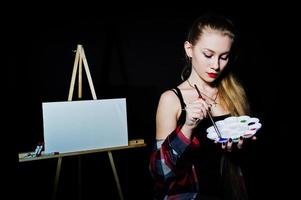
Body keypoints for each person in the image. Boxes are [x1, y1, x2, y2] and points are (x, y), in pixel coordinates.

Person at [149, 13, 257, 200]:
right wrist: (188, 127)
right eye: (208, 55)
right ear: (189, 49)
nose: (215, 65)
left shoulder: (234, 93)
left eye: (224, 57)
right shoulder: (171, 100)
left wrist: (241, 149)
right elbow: (160, 172)